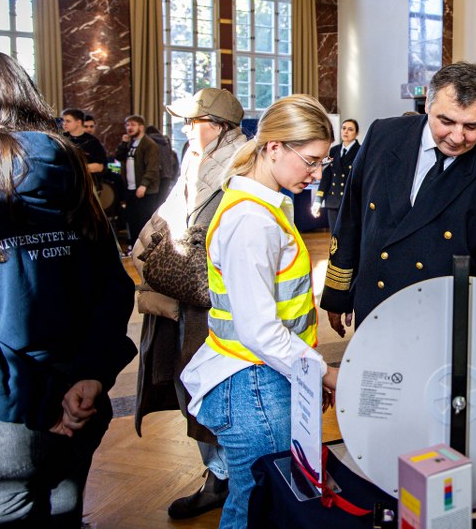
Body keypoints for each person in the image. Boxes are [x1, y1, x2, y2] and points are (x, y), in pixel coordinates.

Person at [0, 50, 136, 526]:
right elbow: (113, 287)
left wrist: (35, 396)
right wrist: (90, 374)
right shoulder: (68, 172)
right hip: (79, 395)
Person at [180, 94, 339, 529]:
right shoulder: (252, 220)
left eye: (322, 162)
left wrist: (304, 374)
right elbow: (259, 330)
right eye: (310, 161)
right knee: (257, 508)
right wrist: (321, 371)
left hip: (263, 374)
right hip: (251, 379)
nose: (317, 174)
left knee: (262, 501)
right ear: (273, 148)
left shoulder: (264, 207)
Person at [320, 61, 476, 334]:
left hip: (443, 321)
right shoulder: (383, 135)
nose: (457, 137)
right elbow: (351, 216)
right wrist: (338, 292)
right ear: (428, 106)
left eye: (472, 126)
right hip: (375, 304)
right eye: (447, 121)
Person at [133, 88, 247, 520]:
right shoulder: (197, 163)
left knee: (214, 391)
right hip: (187, 296)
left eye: (192, 122)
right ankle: (219, 475)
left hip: (216, 302)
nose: (184, 129)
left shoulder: (240, 168)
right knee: (191, 386)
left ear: (218, 127)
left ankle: (230, 479)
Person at [115, 115, 162, 246]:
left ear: (141, 127)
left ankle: (146, 247)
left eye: (133, 125)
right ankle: (133, 246)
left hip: (145, 190)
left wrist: (144, 185)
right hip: (131, 188)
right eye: (127, 125)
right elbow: (119, 157)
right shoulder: (130, 143)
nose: (129, 128)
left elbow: (152, 167)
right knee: (131, 219)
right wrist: (123, 143)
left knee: (143, 220)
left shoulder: (149, 144)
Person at [312, 118, 361, 232]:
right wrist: (318, 200)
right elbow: (327, 177)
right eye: (344, 128)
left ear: (356, 133)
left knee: (349, 236)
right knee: (334, 237)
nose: (346, 132)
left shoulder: (360, 151)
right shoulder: (333, 151)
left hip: (351, 203)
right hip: (333, 202)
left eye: (350, 129)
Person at [62, 107, 106, 174]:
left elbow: (100, 166)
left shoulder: (92, 141)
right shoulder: (60, 139)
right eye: (63, 121)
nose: (64, 123)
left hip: (86, 178)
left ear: (78, 122)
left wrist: (74, 169)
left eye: (68, 121)